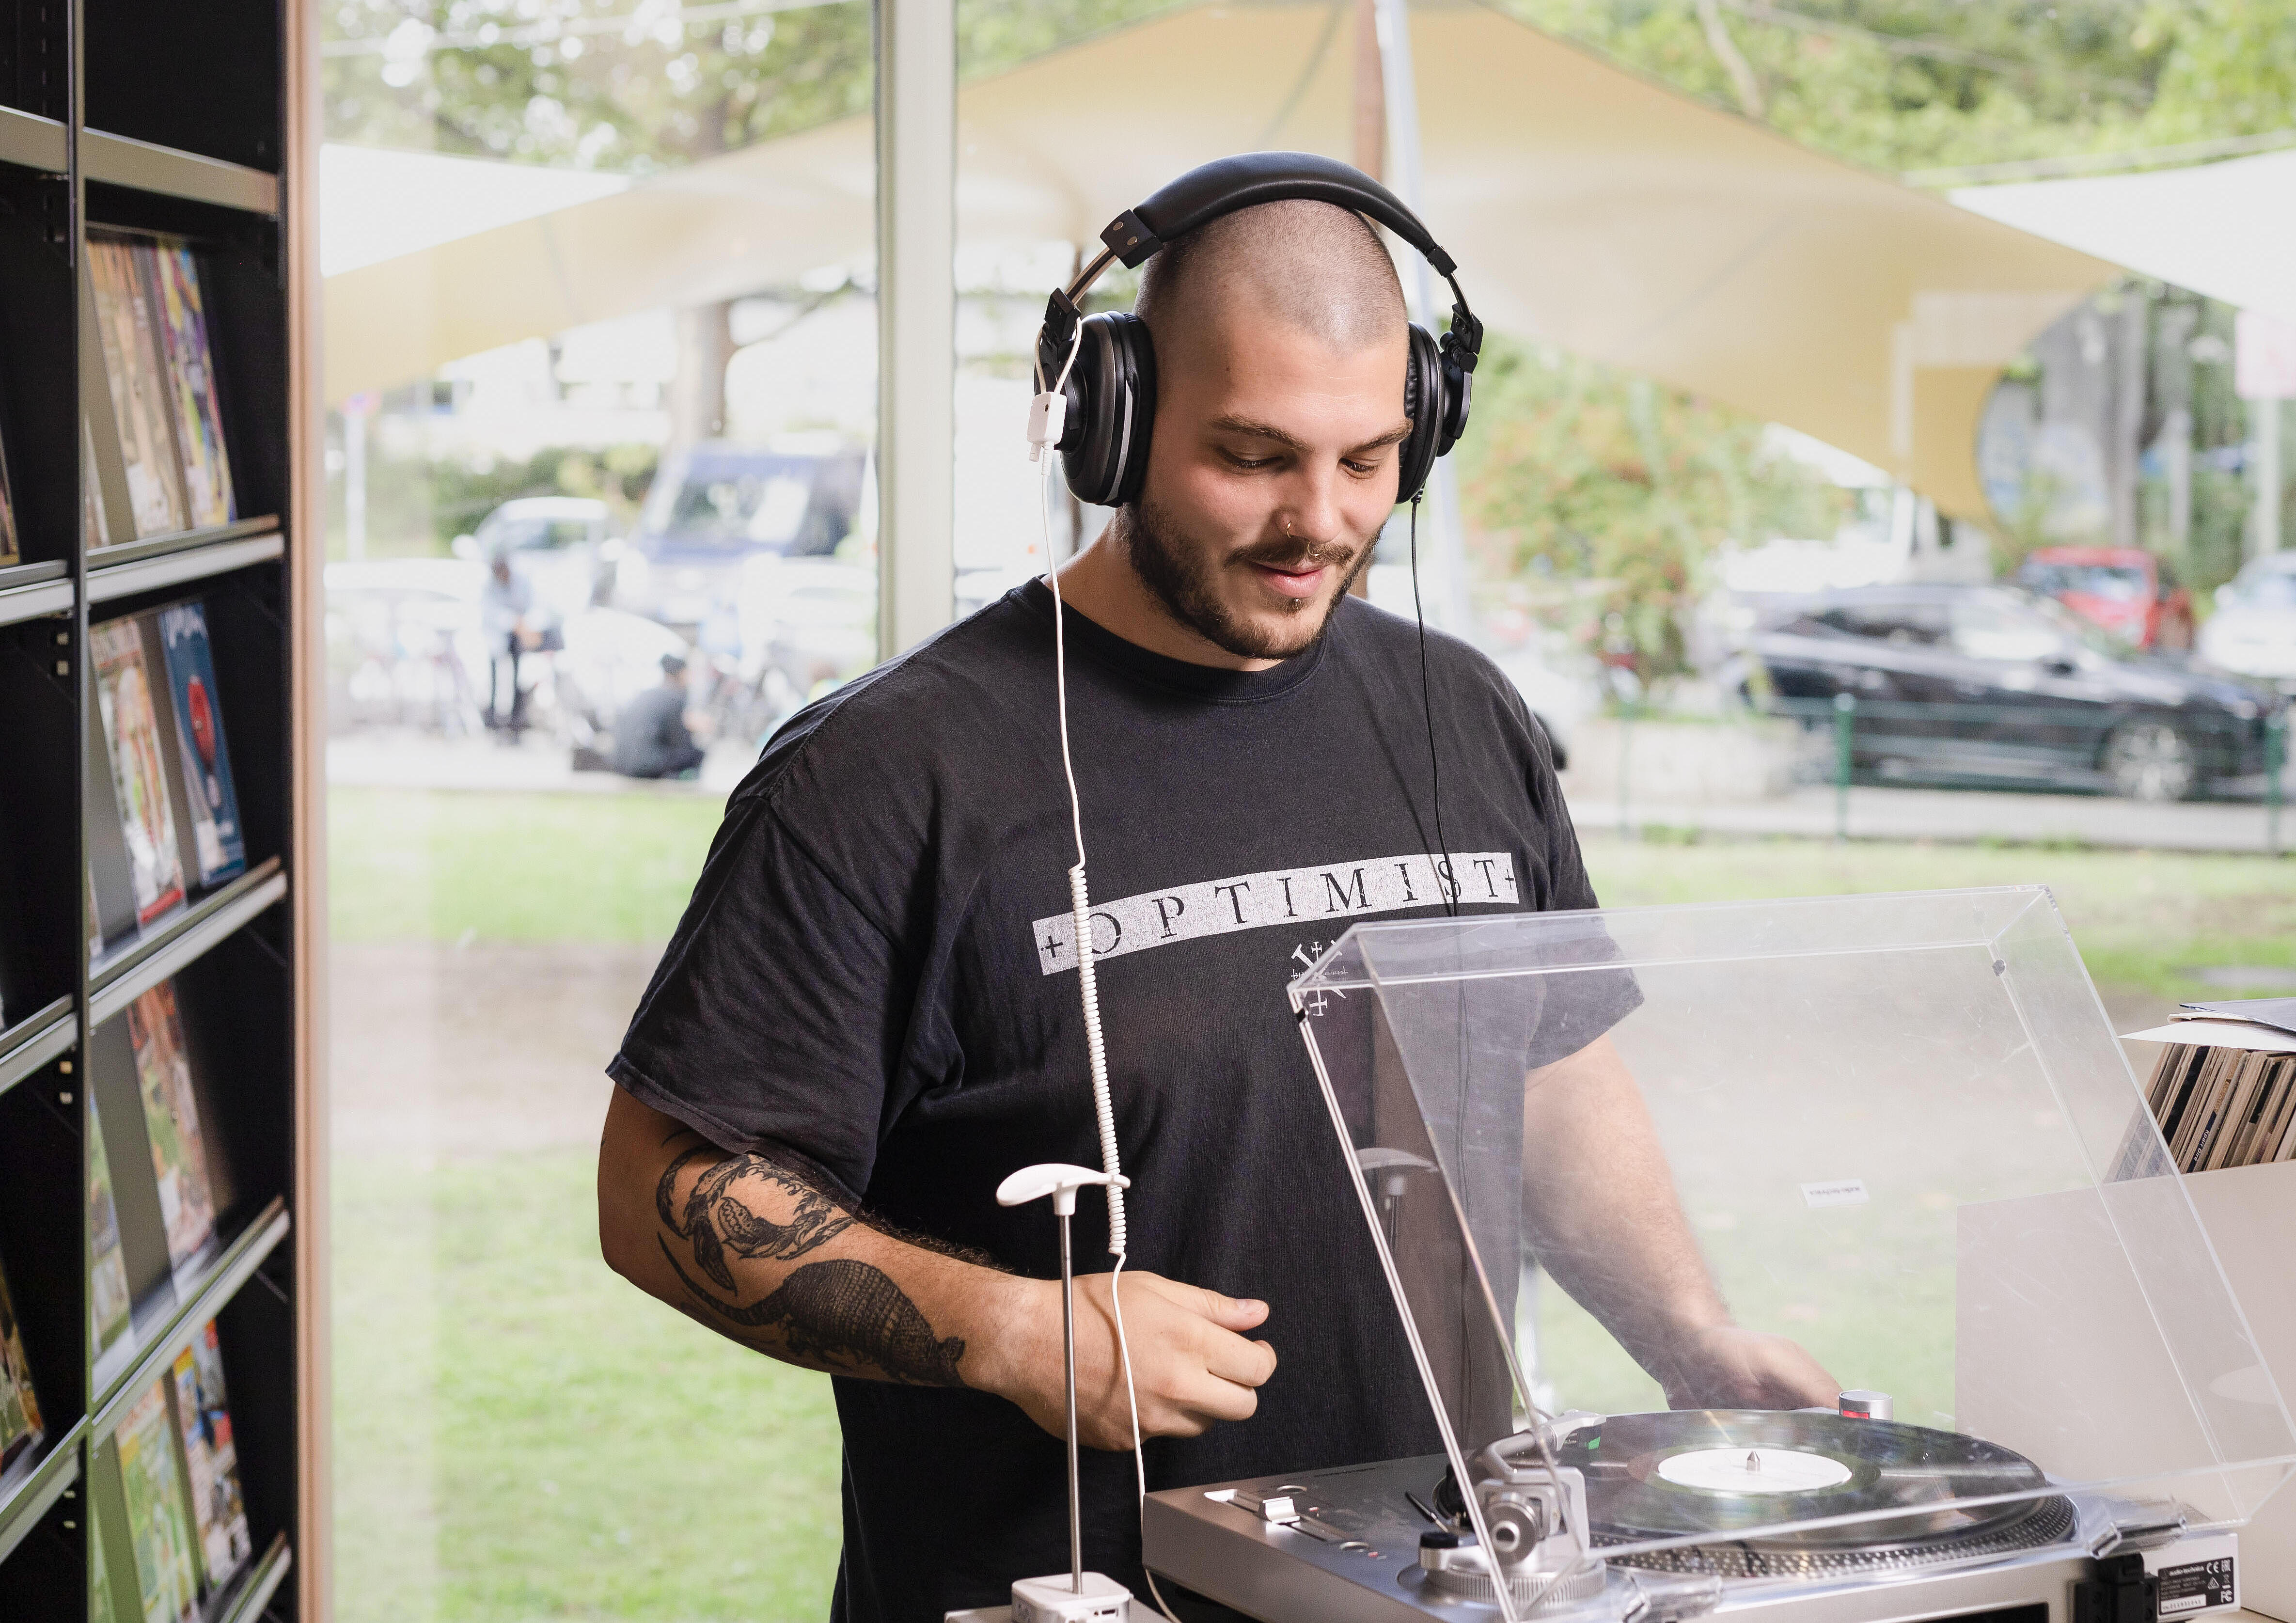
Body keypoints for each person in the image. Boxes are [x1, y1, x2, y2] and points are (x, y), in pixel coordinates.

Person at [592, 176, 1834, 1622]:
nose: (1319, 521)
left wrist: (1688, 1335)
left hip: (1441, 1586)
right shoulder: (886, 773)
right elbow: (657, 1190)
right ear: (1109, 423)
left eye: (1370, 459)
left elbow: (1545, 1068)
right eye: (1251, 457)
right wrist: (1010, 1327)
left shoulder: (1462, 715)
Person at [610, 653, 706, 780]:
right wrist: (692, 727)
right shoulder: (674, 698)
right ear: (681, 674)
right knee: (696, 753)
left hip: (621, 763)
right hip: (646, 766)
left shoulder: (645, 695)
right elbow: (679, 741)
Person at [479, 546, 540, 740]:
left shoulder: (521, 580)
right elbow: (492, 614)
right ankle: (495, 720)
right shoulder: (490, 586)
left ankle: (517, 720)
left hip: (520, 636)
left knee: (519, 678)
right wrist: (514, 623)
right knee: (495, 679)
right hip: (499, 635)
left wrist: (523, 626)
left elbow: (531, 604)